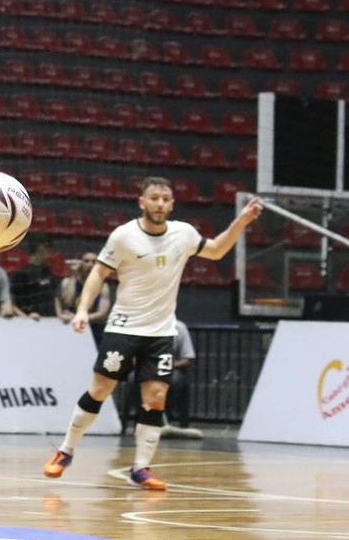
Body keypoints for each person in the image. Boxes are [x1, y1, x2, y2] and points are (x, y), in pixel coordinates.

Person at [42, 177, 262, 491]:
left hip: (160, 331)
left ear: (171, 205)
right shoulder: (124, 236)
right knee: (100, 390)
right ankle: (66, 450)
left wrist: (241, 221)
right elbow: (98, 273)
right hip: (123, 327)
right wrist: (81, 310)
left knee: (156, 399)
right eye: (154, 198)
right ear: (142, 202)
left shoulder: (183, 234)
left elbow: (215, 251)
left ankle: (141, 468)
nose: (160, 203)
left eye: (165, 199)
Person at [58, 250, 111, 343]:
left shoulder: (103, 286)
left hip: (94, 329)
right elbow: (67, 301)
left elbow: (102, 313)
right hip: (70, 327)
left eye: (94, 262)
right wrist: (73, 274)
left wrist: (79, 318)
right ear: (80, 263)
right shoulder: (67, 282)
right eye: (86, 261)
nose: (90, 265)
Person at [161, 319, 200, 438]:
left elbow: (188, 358)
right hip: (146, 368)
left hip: (170, 368)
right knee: (133, 380)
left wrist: (171, 365)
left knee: (175, 381)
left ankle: (167, 413)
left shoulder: (179, 327)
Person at [10, 235, 59, 319]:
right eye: (49, 246)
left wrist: (60, 315)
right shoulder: (22, 274)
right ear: (40, 247)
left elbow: (55, 297)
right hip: (30, 323)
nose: (52, 251)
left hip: (51, 322)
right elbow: (13, 304)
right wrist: (27, 319)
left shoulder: (48, 270)